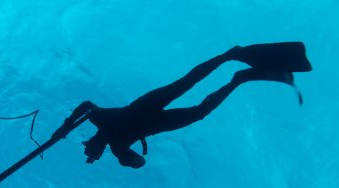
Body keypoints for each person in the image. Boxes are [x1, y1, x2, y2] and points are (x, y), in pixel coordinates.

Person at [75, 42, 312, 168]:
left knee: (187, 82)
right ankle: (238, 80)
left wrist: (64, 128)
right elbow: (137, 162)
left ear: (89, 142)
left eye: (91, 149)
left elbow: (86, 104)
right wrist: (130, 161)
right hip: (156, 123)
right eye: (95, 153)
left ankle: (228, 56)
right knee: (200, 112)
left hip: (144, 106)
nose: (95, 150)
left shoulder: (100, 120)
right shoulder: (117, 147)